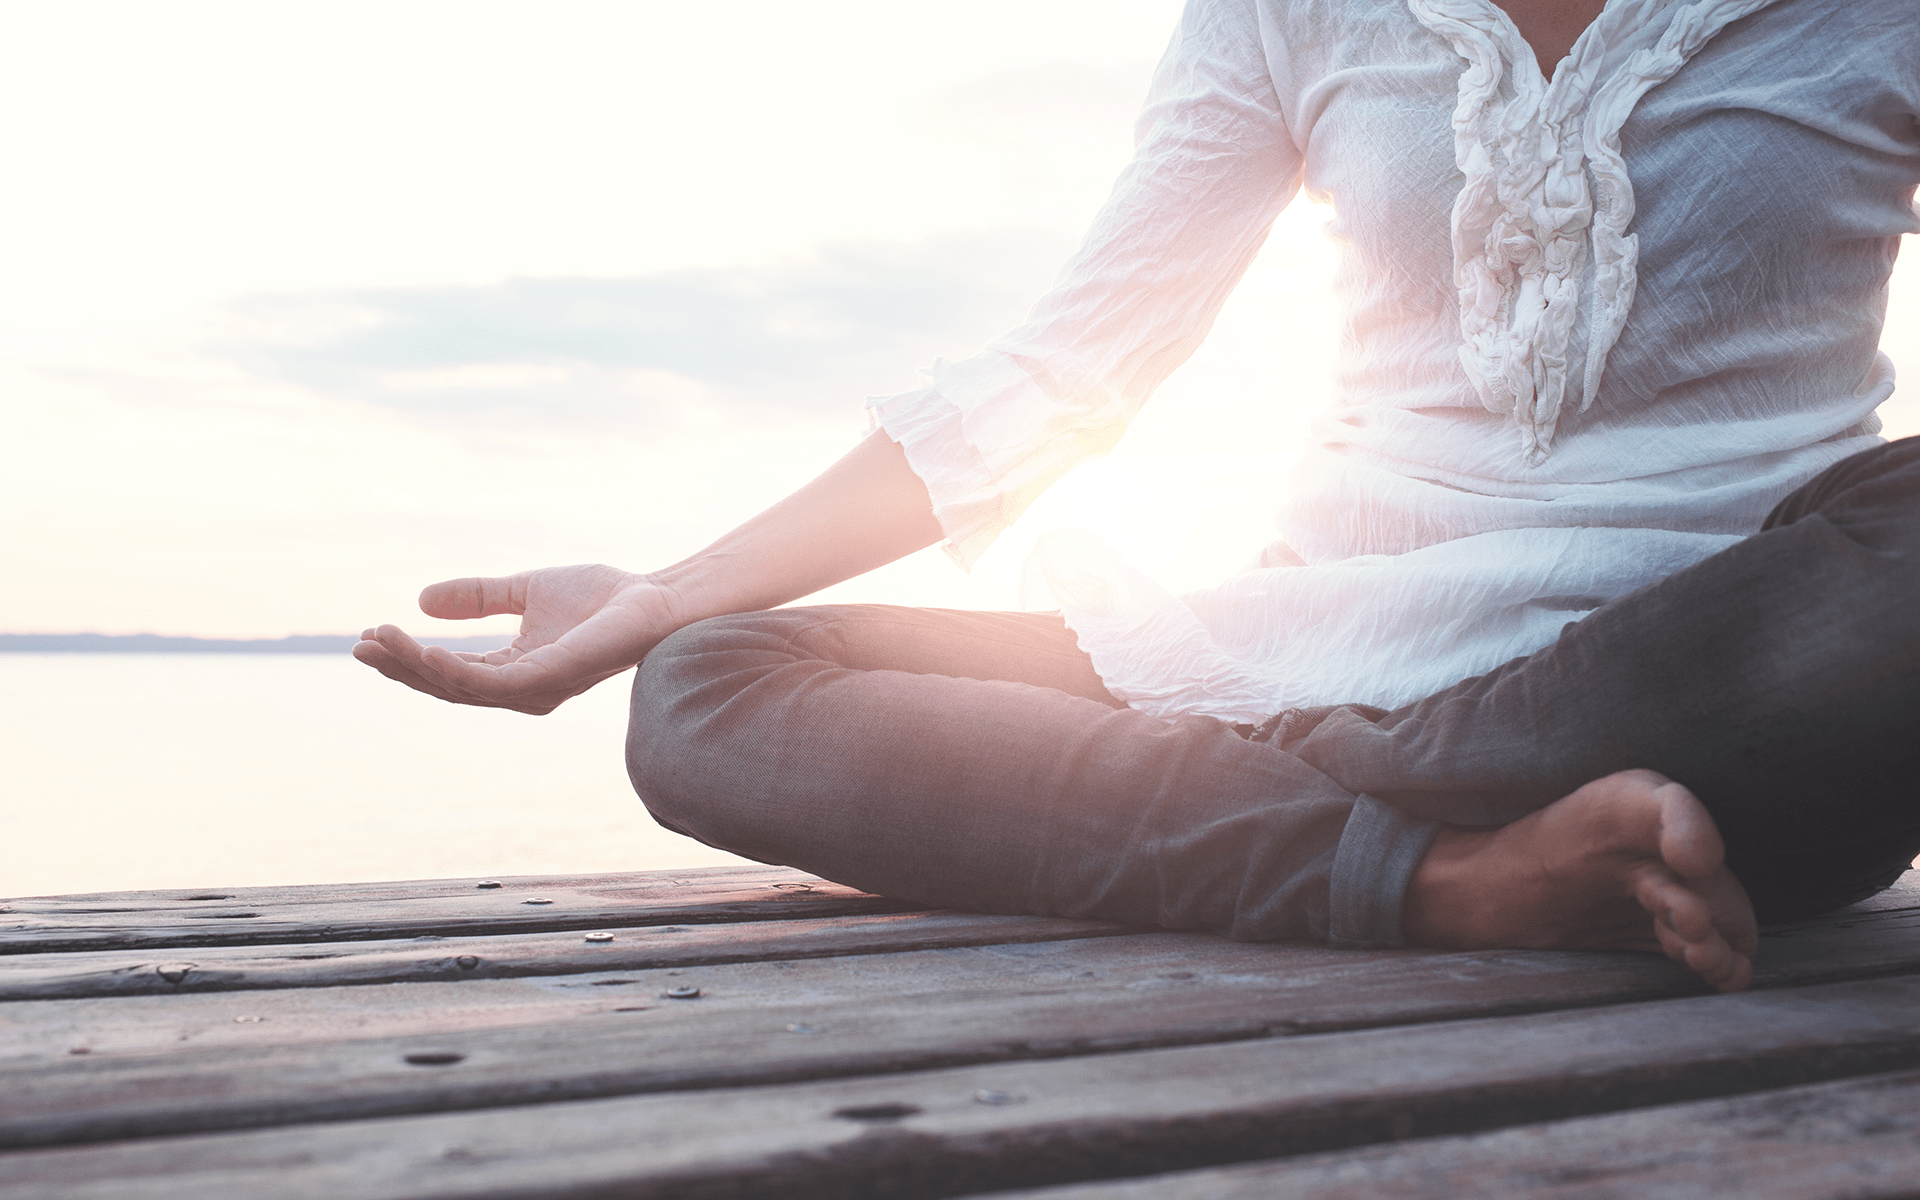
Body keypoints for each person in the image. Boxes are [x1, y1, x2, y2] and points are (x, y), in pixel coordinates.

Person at [356, 0, 1920, 995]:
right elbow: (1069, 367)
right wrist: (666, 594)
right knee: (711, 687)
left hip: (1725, 678)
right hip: (1332, 650)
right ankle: (1452, 877)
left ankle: (1363, 797)